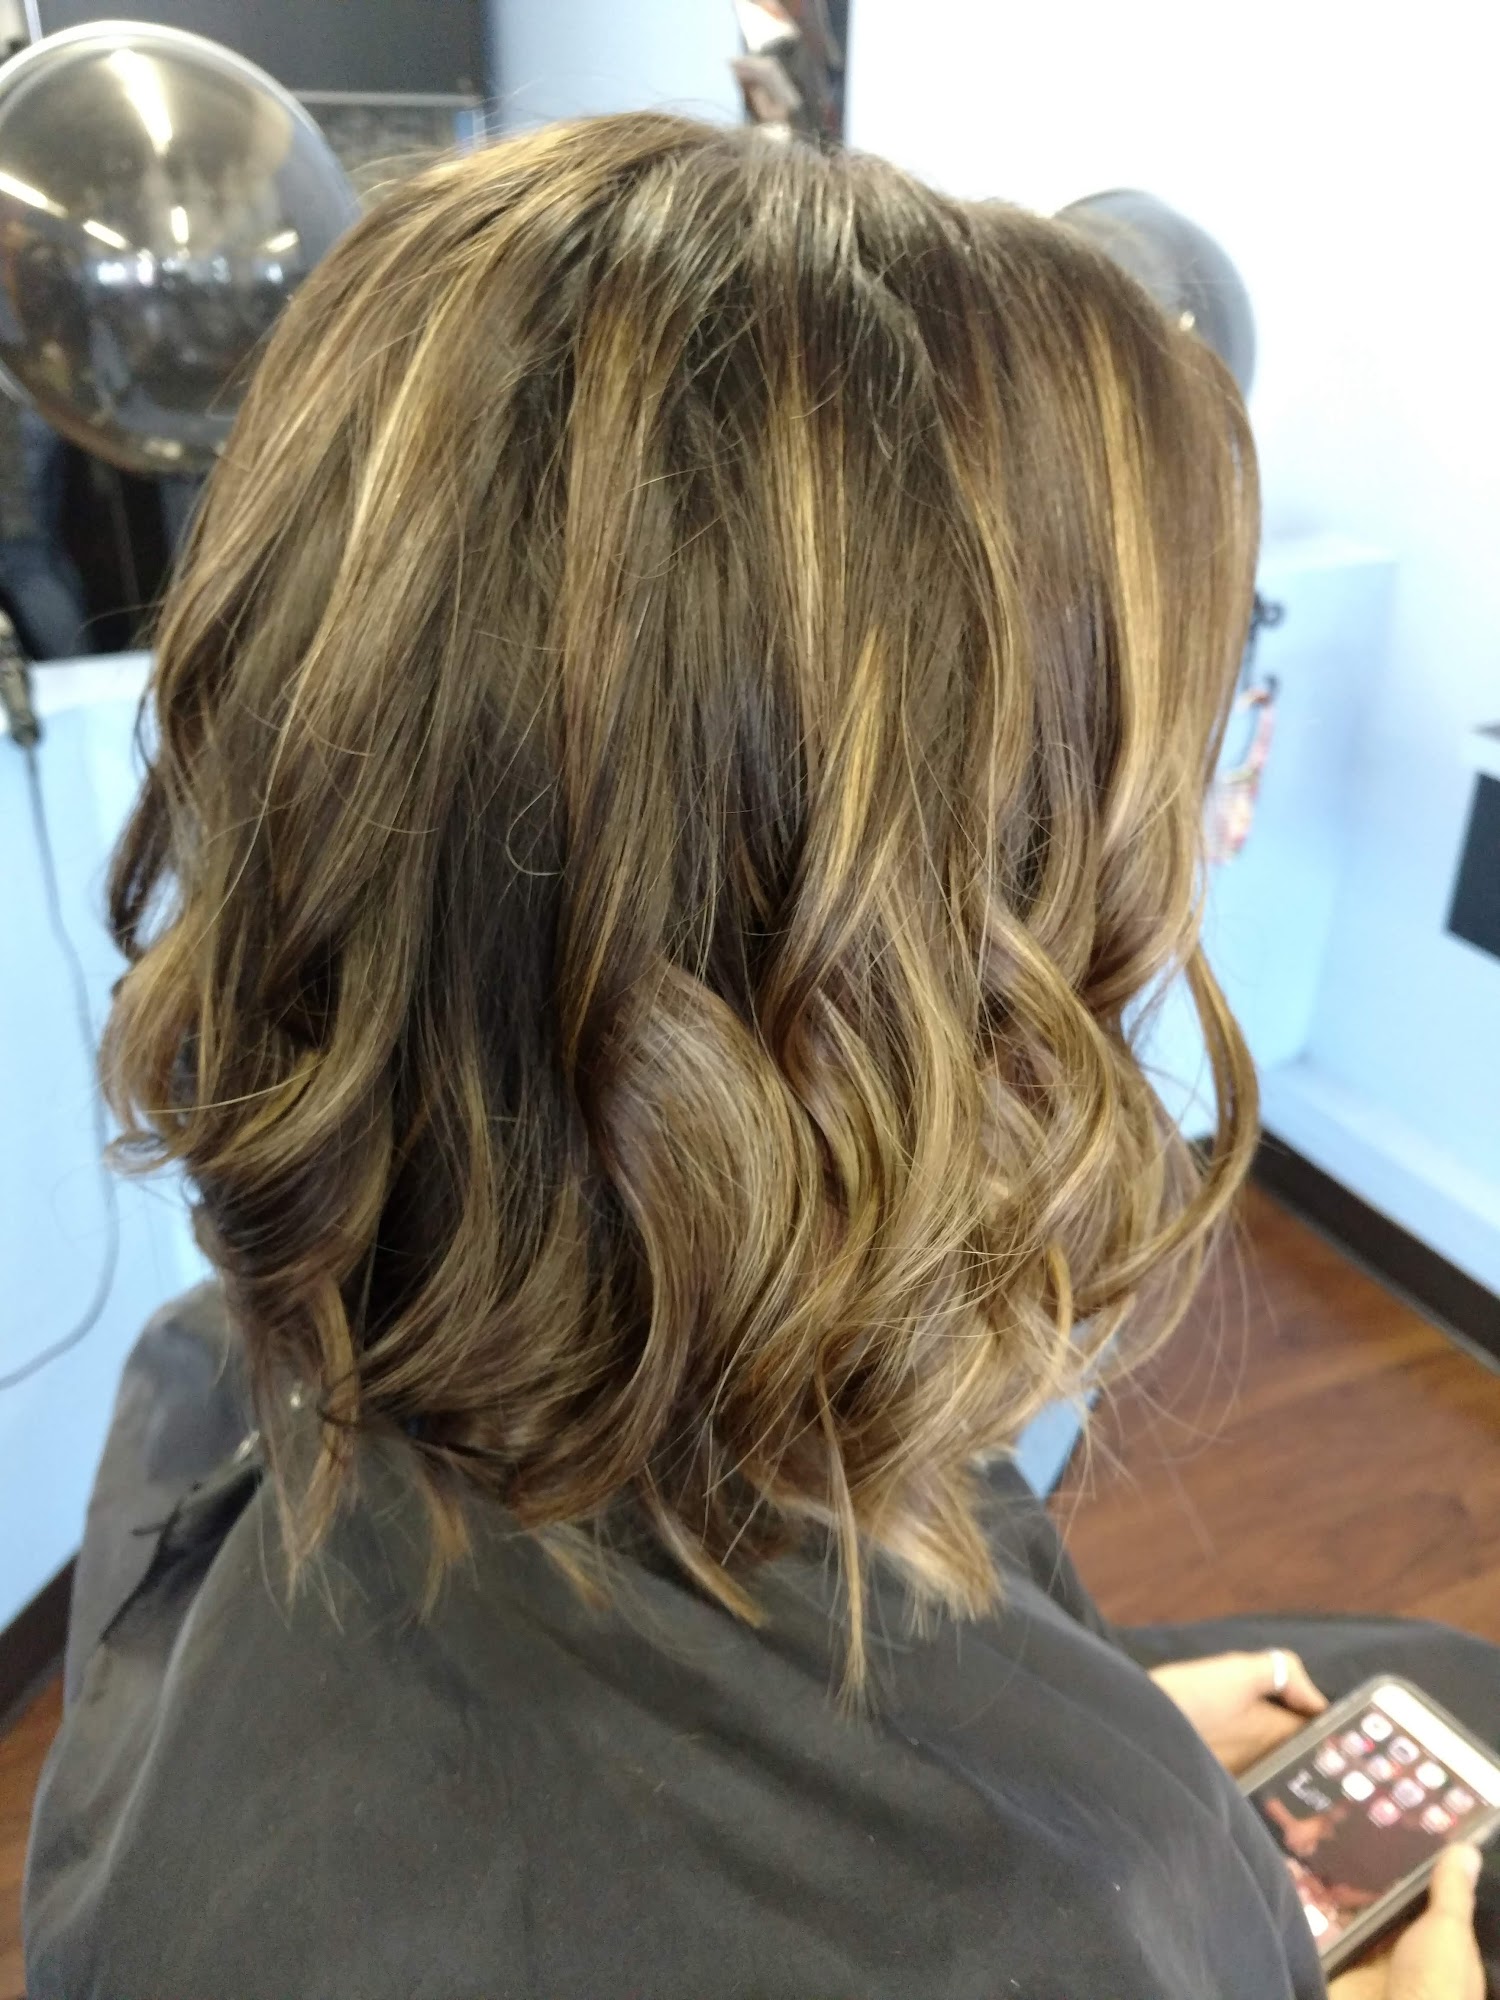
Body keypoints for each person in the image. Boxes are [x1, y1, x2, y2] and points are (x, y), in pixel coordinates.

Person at [22, 114, 1495, 1999]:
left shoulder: (212, 1377)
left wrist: (1097, 1723)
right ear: (953, 931)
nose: (1214, 828)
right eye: (1187, 770)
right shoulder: (1041, 1936)